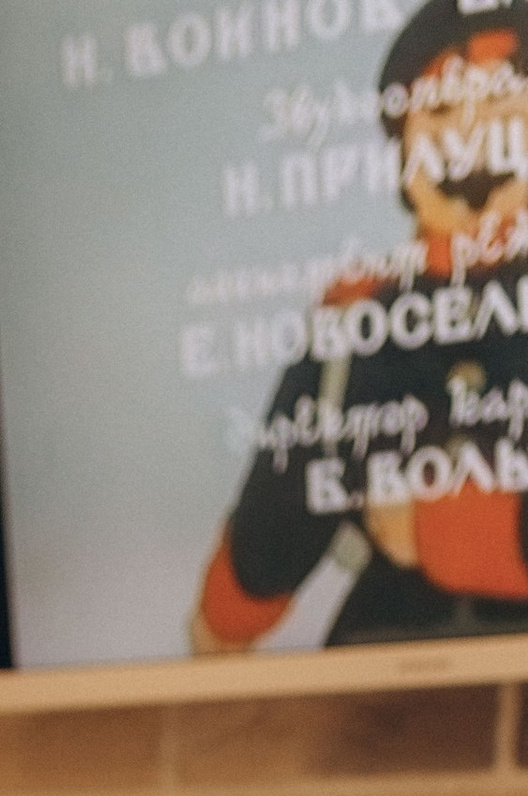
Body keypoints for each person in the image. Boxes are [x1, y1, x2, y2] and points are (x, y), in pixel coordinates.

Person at [195, 0, 528, 655]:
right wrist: (211, 640)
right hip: (383, 664)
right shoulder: (359, 313)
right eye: (437, 113)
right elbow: (277, 519)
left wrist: (445, 530)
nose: (470, 135)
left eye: (498, 104)